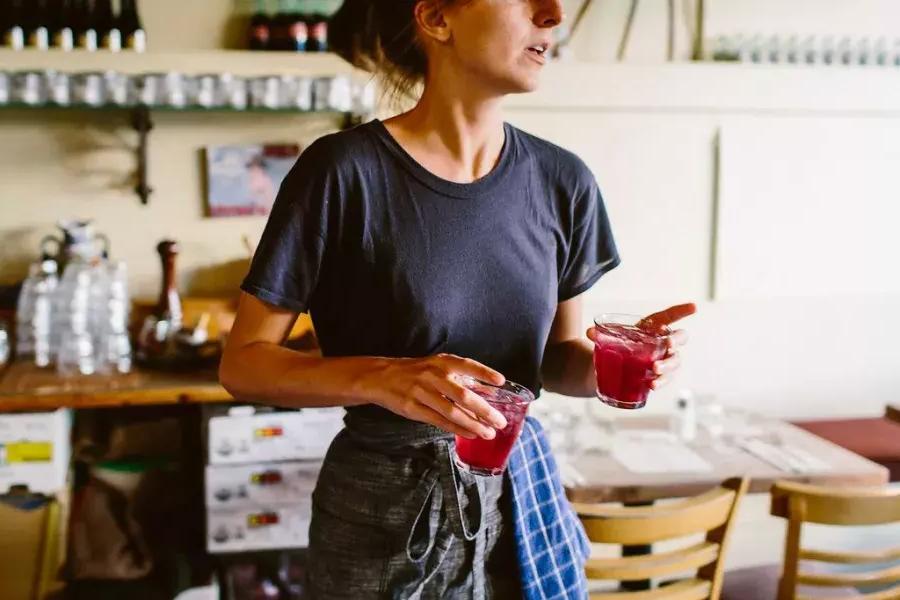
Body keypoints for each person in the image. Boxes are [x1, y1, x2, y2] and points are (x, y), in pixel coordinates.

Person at [219, 0, 695, 597]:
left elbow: (554, 360)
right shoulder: (341, 172)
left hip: (518, 500)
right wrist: (384, 378)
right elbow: (244, 363)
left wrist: (621, 364)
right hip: (383, 515)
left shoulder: (563, 181)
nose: (553, 15)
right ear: (437, 19)